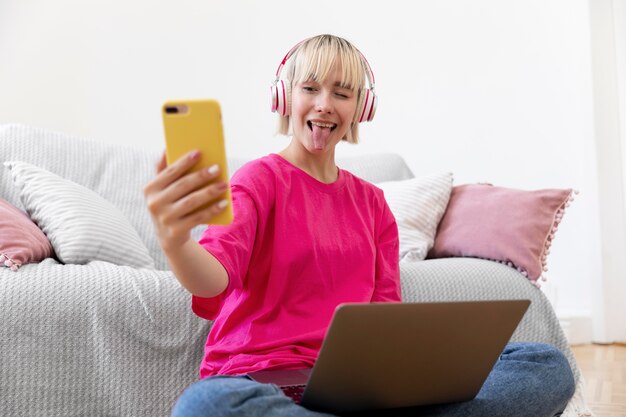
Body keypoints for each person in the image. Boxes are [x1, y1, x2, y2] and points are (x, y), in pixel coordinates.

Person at [144, 34, 575, 417]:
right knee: (204, 406)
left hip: (354, 392)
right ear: (283, 98)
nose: (325, 104)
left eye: (342, 93)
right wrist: (175, 238)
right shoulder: (257, 180)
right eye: (309, 89)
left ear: (361, 108)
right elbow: (211, 282)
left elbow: (383, 323)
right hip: (256, 383)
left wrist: (403, 381)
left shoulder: (372, 204)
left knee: (543, 365)